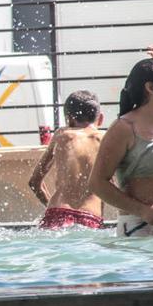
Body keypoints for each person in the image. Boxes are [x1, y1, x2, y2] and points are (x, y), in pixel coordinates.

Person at [91, 58, 153, 238]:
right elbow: (97, 183)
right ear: (150, 88)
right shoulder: (124, 128)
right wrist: (143, 210)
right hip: (140, 227)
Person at [29, 91, 105, 229]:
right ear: (100, 119)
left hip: (57, 214)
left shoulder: (62, 135)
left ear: (69, 119)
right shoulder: (104, 140)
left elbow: (34, 182)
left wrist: (52, 209)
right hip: (90, 218)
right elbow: (110, 185)